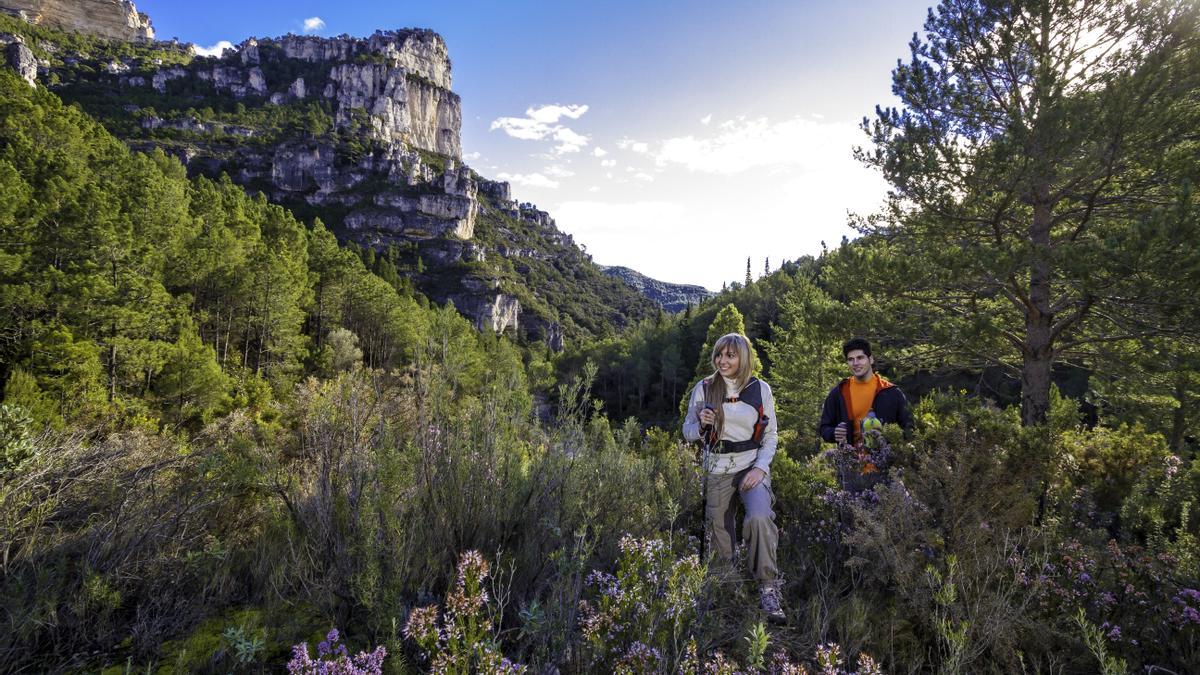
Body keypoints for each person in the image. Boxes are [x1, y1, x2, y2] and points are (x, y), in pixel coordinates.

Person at [683, 333, 784, 623]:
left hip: (751, 467)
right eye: (719, 355)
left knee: (759, 518)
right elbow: (687, 431)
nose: (722, 361)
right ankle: (727, 588)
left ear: (744, 358)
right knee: (719, 531)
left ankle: (767, 586)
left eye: (730, 355)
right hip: (717, 469)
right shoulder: (704, 388)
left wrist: (760, 468)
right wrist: (701, 425)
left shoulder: (759, 389)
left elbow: (771, 434)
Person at [819, 337, 914, 446]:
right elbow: (824, 428)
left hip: (886, 460)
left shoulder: (892, 392)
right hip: (851, 460)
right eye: (851, 359)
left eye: (860, 358)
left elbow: (909, 428)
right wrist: (833, 433)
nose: (855, 363)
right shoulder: (839, 393)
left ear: (871, 359)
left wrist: (890, 437)